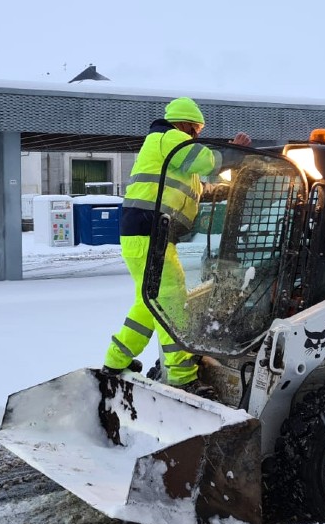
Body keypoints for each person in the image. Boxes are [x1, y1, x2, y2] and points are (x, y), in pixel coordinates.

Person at [101, 97, 251, 399]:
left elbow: (197, 190)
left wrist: (224, 190)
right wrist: (235, 151)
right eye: (196, 130)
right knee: (173, 303)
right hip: (150, 232)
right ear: (185, 124)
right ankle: (182, 377)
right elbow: (207, 161)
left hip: (145, 234)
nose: (196, 135)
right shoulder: (168, 138)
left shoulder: (175, 155)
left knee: (149, 304)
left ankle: (115, 362)